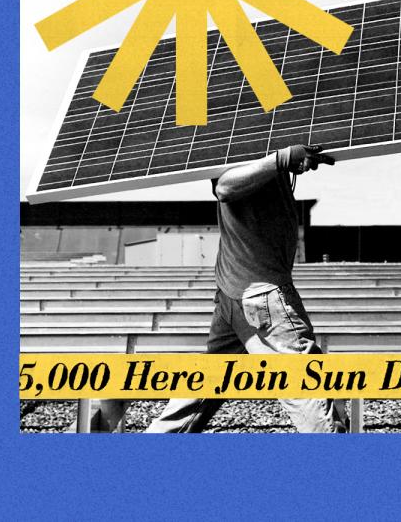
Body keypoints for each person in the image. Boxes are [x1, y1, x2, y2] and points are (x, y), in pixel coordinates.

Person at [145, 144, 346, 433]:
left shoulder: (257, 140)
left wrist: (287, 160)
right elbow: (225, 187)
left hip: (236, 293)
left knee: (205, 386)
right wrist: (281, 159)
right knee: (304, 386)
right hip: (264, 298)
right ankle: (342, 469)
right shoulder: (236, 142)